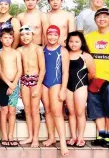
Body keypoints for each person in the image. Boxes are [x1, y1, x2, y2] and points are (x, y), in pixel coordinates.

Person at [86, 8, 109, 148]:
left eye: (105, 17)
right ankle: (101, 135)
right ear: (95, 20)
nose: (102, 19)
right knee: (97, 109)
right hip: (93, 79)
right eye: (99, 17)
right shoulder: (89, 37)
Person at [41, 25, 70, 156]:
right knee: (47, 110)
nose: (52, 37)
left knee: (57, 112)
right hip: (44, 83)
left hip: (56, 83)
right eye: (50, 34)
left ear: (59, 36)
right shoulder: (42, 49)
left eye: (55, 35)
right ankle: (51, 137)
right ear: (46, 35)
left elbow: (65, 72)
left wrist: (63, 89)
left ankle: (62, 143)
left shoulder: (63, 51)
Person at [65, 31, 95, 148]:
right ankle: (73, 137)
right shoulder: (65, 53)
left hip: (81, 86)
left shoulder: (86, 56)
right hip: (68, 86)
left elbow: (92, 73)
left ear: (81, 43)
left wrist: (83, 82)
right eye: (71, 41)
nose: (73, 44)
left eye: (76, 42)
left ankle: (81, 137)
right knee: (71, 113)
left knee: (80, 112)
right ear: (68, 42)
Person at [17, 25, 45, 148]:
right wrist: (18, 86)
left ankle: (35, 138)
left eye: (27, 34)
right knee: (27, 110)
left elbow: (43, 69)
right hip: (24, 81)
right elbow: (19, 70)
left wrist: (38, 86)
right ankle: (30, 136)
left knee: (35, 111)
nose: (25, 37)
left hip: (35, 80)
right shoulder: (19, 50)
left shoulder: (38, 49)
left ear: (33, 35)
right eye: (22, 35)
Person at [0, 28, 22, 147]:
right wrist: (8, 84)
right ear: (1, 39)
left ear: (13, 39)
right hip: (3, 83)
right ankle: (4, 136)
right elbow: (0, 71)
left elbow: (20, 70)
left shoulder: (16, 52)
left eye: (10, 37)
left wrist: (13, 85)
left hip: (14, 83)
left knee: (12, 110)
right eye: (5, 37)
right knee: (4, 110)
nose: (7, 40)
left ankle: (11, 135)